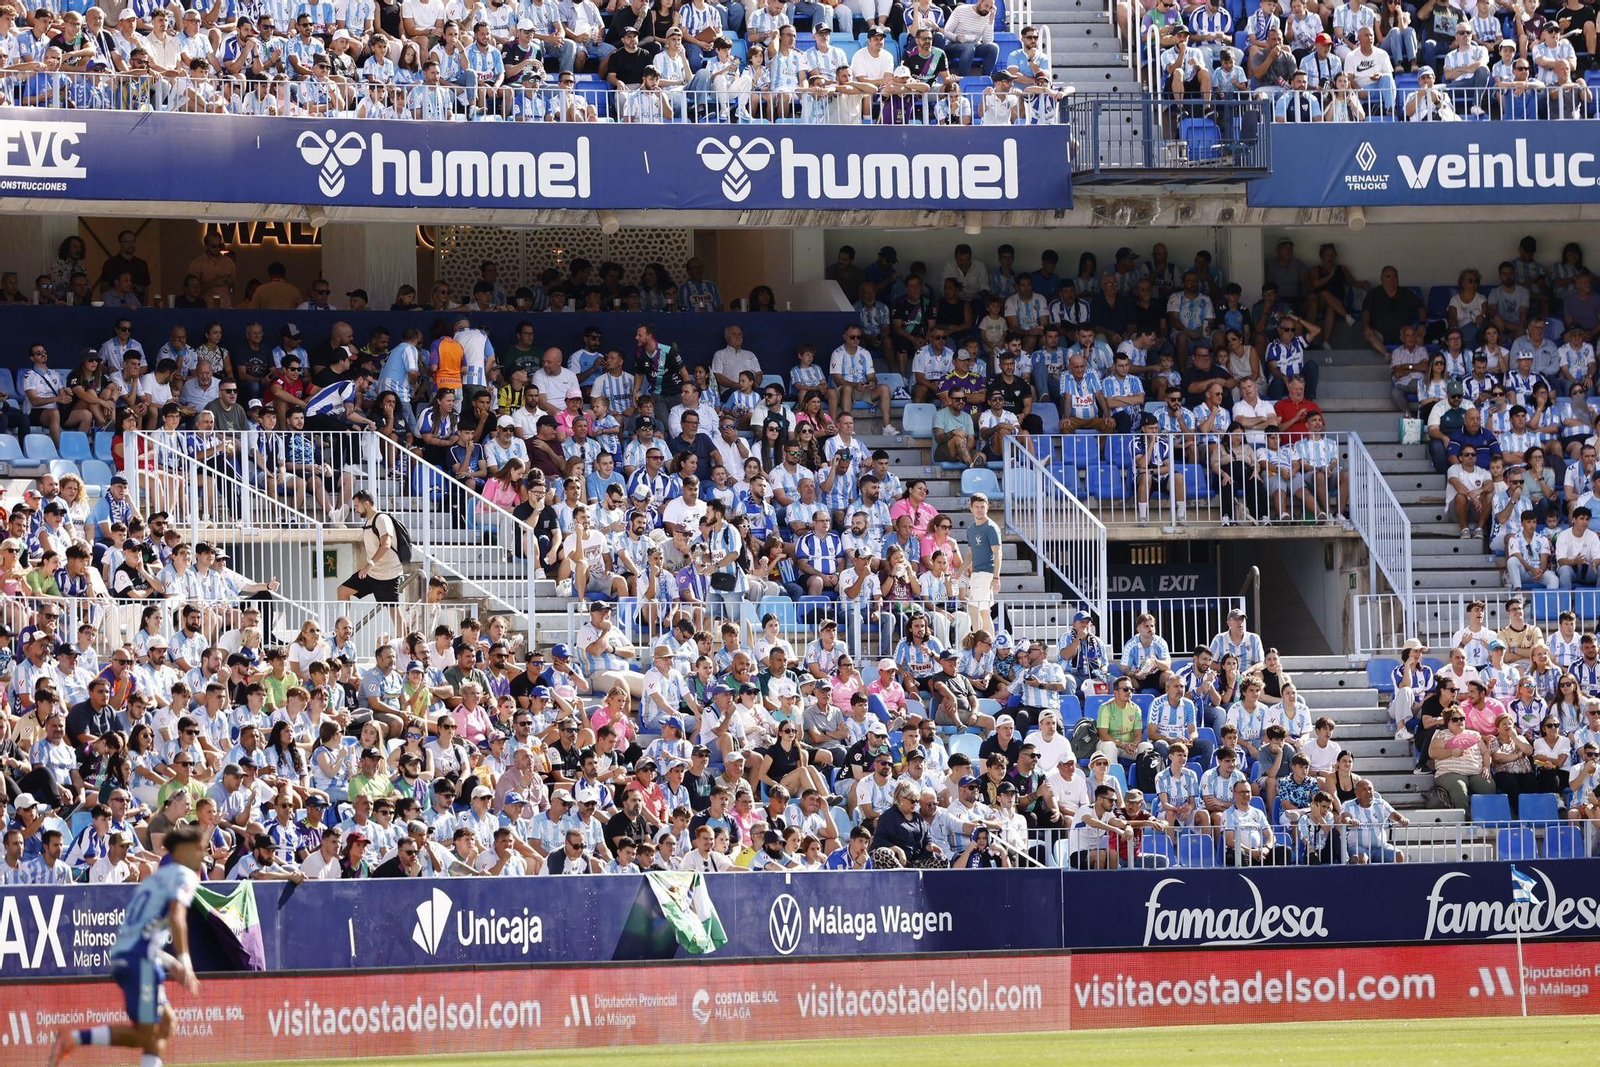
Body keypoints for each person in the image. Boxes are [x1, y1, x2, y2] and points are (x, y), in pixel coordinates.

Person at [51, 824, 203, 1067]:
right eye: (198, 850)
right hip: (140, 961)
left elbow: (137, 930)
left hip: (129, 955)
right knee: (144, 1034)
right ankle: (74, 1037)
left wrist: (168, 961)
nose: (202, 856)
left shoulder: (153, 880)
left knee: (165, 1023)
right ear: (181, 852)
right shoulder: (183, 875)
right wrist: (185, 960)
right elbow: (177, 916)